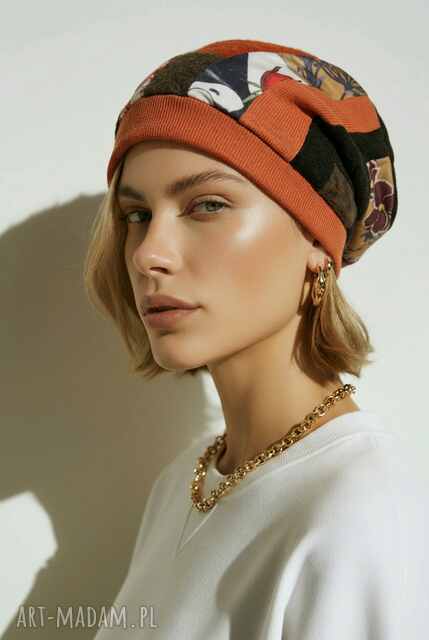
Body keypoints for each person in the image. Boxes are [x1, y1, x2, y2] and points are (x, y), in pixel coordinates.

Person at [84, 38, 428, 638]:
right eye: (137, 215)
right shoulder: (183, 485)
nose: (147, 255)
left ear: (318, 239)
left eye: (207, 205)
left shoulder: (362, 511)